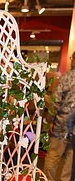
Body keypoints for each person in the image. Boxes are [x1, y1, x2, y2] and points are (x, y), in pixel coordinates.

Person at [44, 51, 75, 181]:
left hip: (62, 124)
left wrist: (51, 120)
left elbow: (55, 101)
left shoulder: (67, 77)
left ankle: (47, 179)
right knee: (70, 161)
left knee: (53, 156)